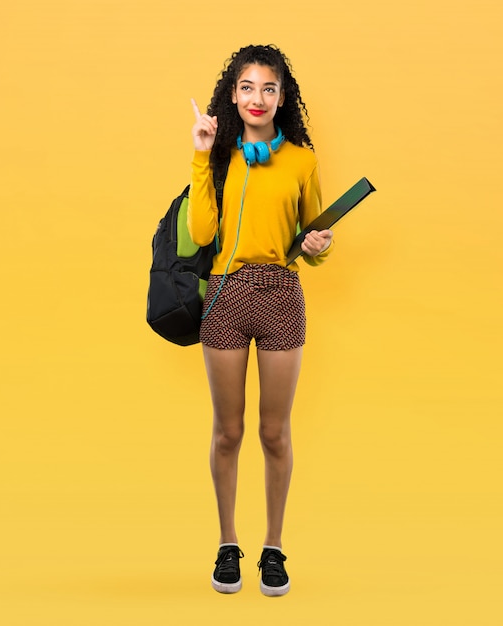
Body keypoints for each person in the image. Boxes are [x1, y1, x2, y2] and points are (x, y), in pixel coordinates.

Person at [188, 44, 333, 597]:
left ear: (281, 98)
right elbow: (203, 234)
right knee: (229, 432)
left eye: (268, 88)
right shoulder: (219, 155)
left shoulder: (301, 159)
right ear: (232, 94)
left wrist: (320, 242)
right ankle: (228, 544)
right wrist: (202, 154)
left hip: (280, 291)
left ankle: (273, 547)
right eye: (247, 87)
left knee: (275, 432)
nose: (257, 97)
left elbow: (312, 240)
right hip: (225, 292)